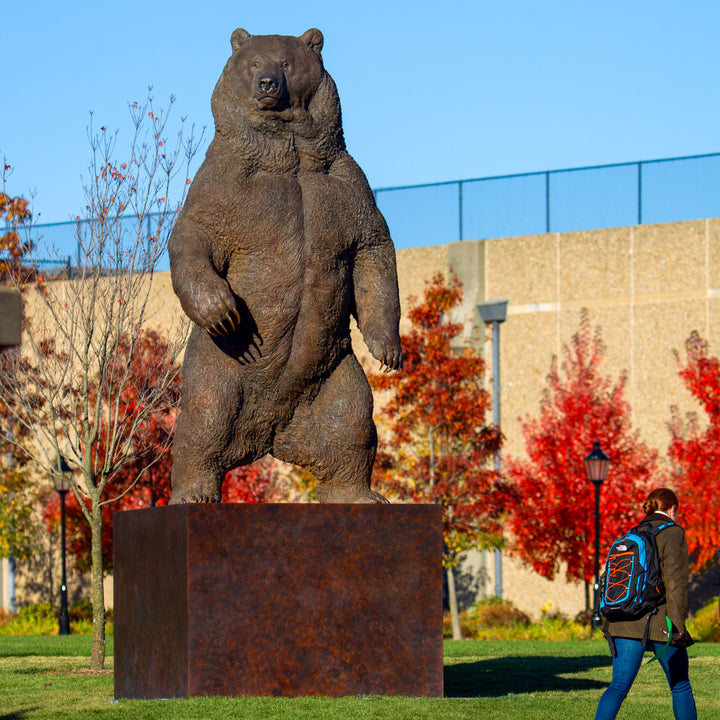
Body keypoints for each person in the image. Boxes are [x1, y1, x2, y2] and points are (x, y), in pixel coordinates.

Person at [594, 488, 697, 720]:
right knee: (680, 686)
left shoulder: (633, 532)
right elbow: (676, 584)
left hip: (623, 618)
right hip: (660, 622)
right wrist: (678, 627)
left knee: (618, 686)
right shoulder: (673, 533)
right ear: (673, 509)